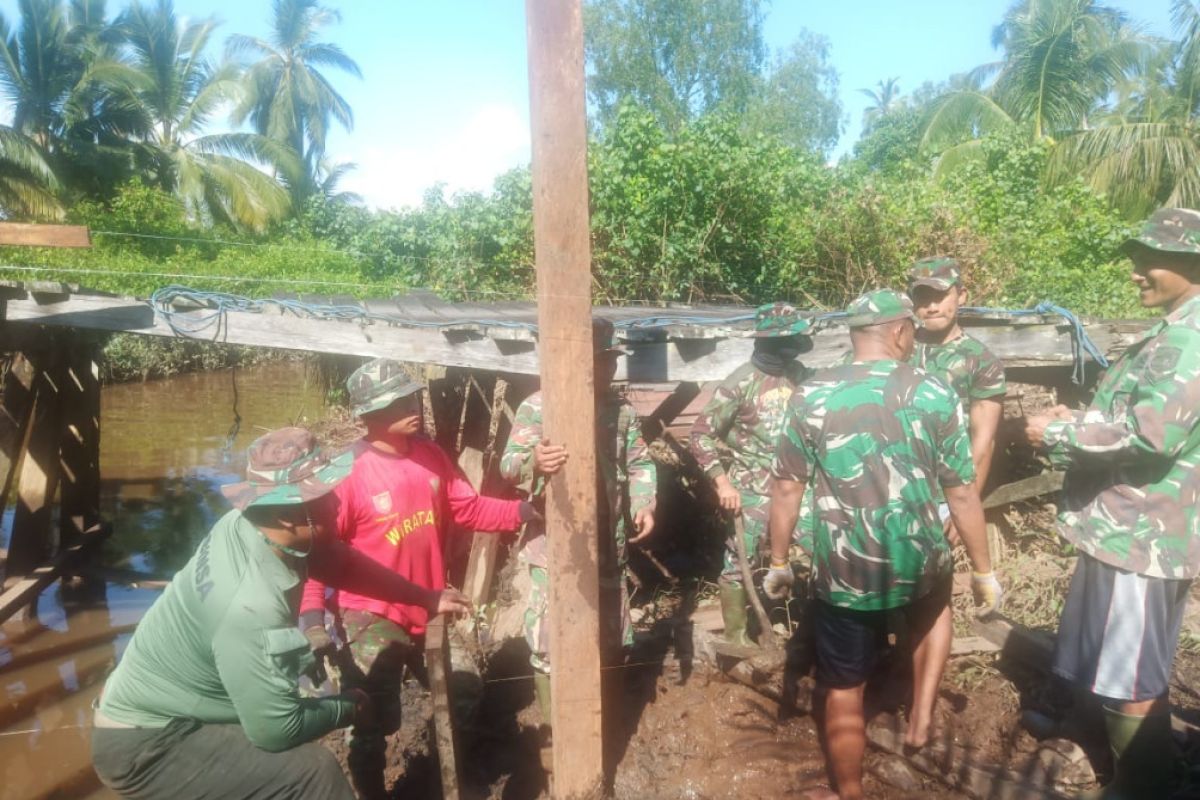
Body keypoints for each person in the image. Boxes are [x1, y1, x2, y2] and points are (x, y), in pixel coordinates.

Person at [91, 427, 470, 799]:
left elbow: (340, 563)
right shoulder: (248, 607)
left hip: (173, 709)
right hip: (149, 746)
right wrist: (349, 706)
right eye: (325, 496)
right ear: (290, 516)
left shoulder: (250, 527)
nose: (338, 502)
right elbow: (276, 730)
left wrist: (424, 596)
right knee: (311, 772)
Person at [763, 289, 1002, 800]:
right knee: (932, 615)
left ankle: (848, 792)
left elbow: (786, 487)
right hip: (920, 559)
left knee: (844, 685)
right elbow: (961, 493)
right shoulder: (935, 392)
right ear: (899, 332)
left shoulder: (812, 394)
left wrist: (779, 560)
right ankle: (919, 720)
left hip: (846, 570)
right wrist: (984, 571)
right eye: (911, 329)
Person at [1023, 207, 1200, 799]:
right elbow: (1143, 417)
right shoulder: (1176, 327)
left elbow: (1153, 436)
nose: (1136, 272)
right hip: (1131, 527)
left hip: (1142, 534)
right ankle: (1112, 751)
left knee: (1130, 670)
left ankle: (1139, 786)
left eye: (1150, 259)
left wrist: (1056, 434)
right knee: (1121, 655)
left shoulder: (1188, 337)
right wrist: (1083, 418)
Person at [299, 358, 536, 800]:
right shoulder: (346, 476)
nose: (414, 405)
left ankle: (434, 773)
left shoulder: (430, 455)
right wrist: (313, 619)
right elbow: (321, 558)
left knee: (464, 688)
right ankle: (371, 793)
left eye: (411, 396)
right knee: (371, 720)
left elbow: (468, 508)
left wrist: (521, 512)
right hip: (370, 616)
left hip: (430, 606)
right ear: (370, 415)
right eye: (399, 401)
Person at [499, 317, 657, 726]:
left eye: (610, 361)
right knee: (549, 639)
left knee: (607, 632)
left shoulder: (620, 412)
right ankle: (556, 730)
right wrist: (534, 461)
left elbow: (638, 462)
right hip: (556, 545)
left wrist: (644, 503)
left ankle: (601, 721)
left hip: (606, 540)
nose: (606, 370)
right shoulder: (539, 406)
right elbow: (508, 466)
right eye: (598, 361)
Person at [690, 302, 814, 646]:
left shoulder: (802, 375)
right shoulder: (739, 383)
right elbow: (700, 435)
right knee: (738, 564)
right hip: (752, 489)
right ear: (770, 340)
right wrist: (723, 482)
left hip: (801, 488)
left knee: (825, 551)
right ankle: (737, 640)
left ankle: (816, 634)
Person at [907, 257, 1007, 536]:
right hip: (892, 491)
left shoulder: (980, 361)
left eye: (940, 295)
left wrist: (963, 507)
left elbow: (983, 442)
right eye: (923, 297)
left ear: (961, 295)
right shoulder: (898, 348)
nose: (931, 306)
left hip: (943, 494)